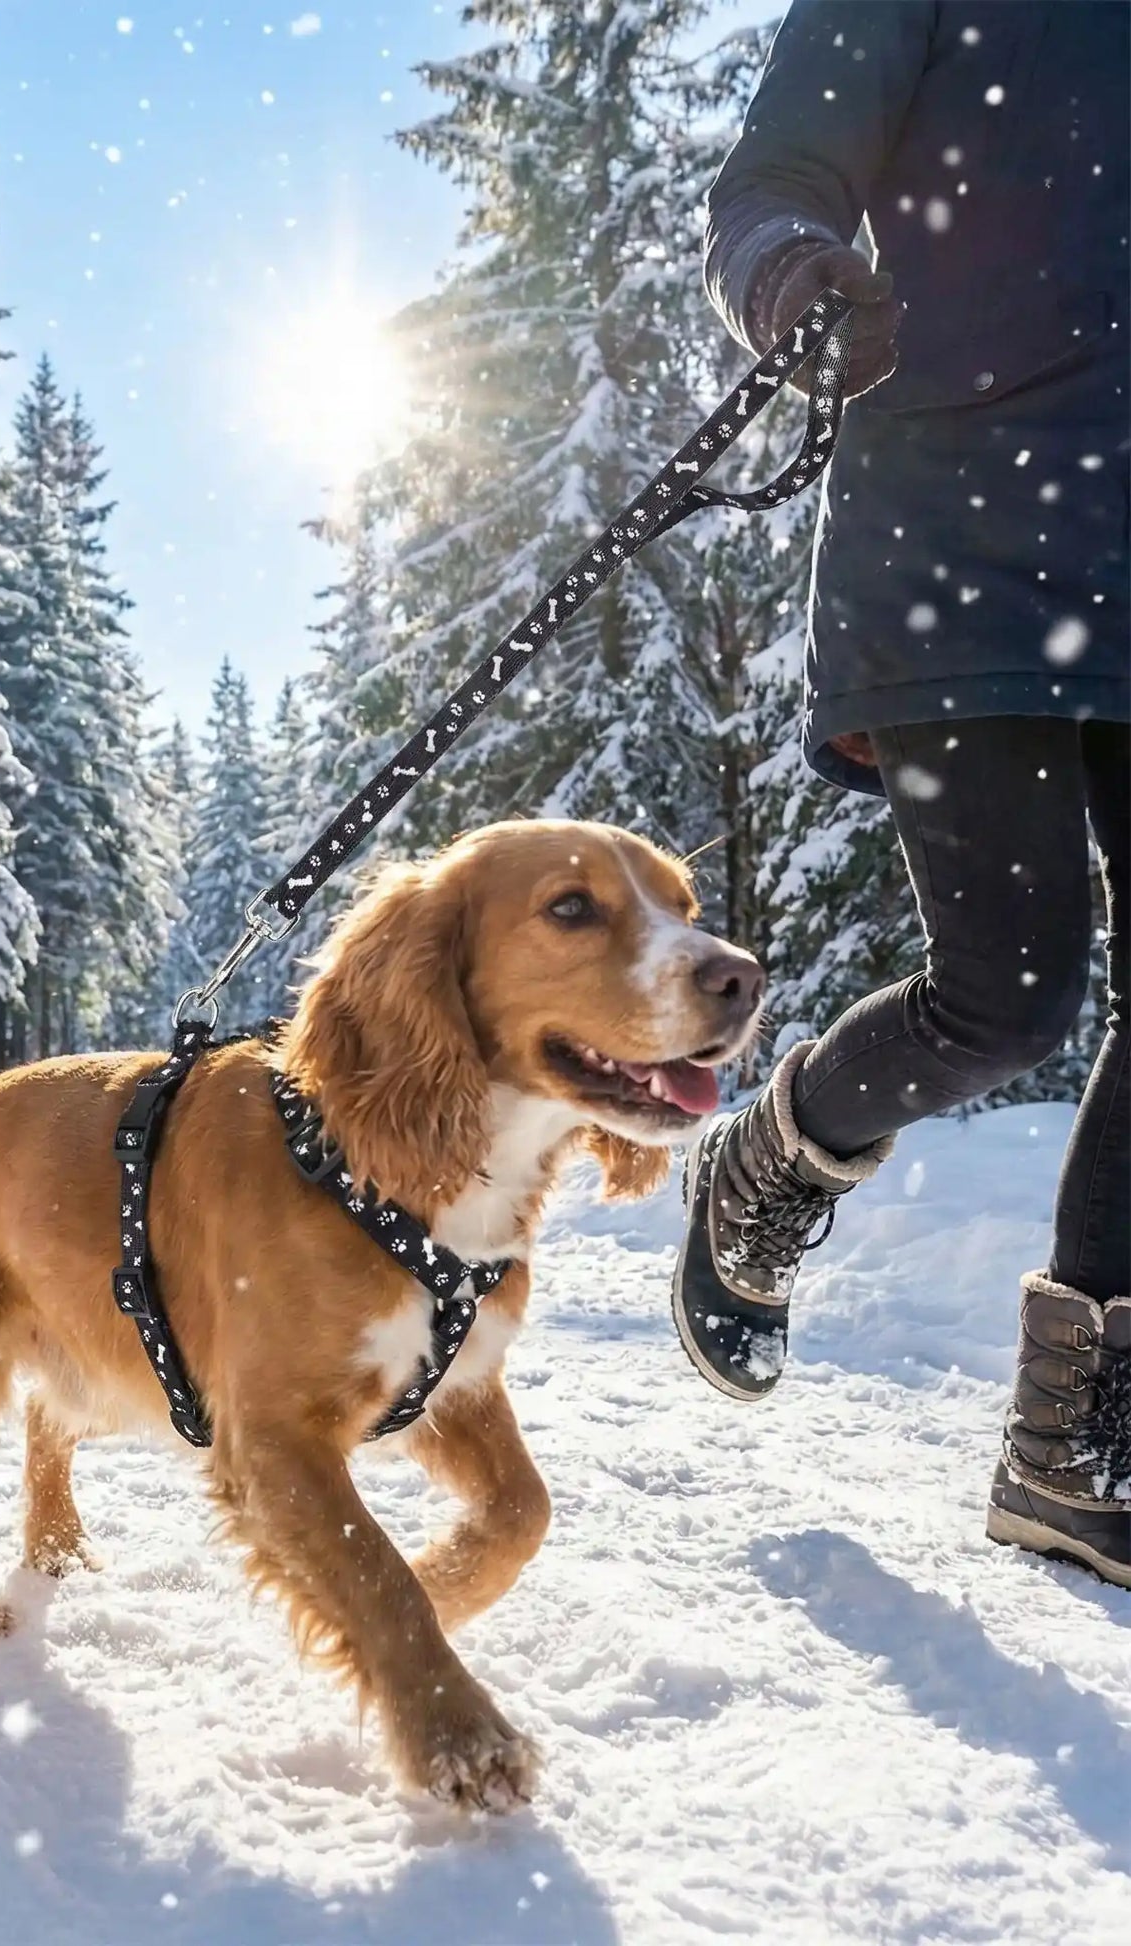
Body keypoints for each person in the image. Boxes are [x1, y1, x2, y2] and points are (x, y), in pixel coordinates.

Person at [673, 0, 1129, 1586]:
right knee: (1011, 994)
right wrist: (791, 276)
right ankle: (778, 1149)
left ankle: (1074, 1442)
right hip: (957, 531)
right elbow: (770, 183)